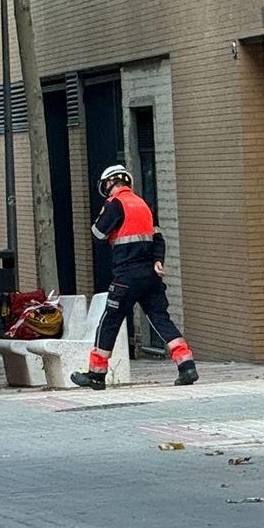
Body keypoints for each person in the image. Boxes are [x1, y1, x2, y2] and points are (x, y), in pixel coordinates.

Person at [72, 164, 198, 390]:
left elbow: (98, 233)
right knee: (161, 319)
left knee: (109, 321)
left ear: (110, 183)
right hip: (150, 274)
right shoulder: (144, 205)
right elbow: (158, 238)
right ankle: (186, 365)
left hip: (125, 276)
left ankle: (96, 374)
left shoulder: (114, 204)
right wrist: (158, 260)